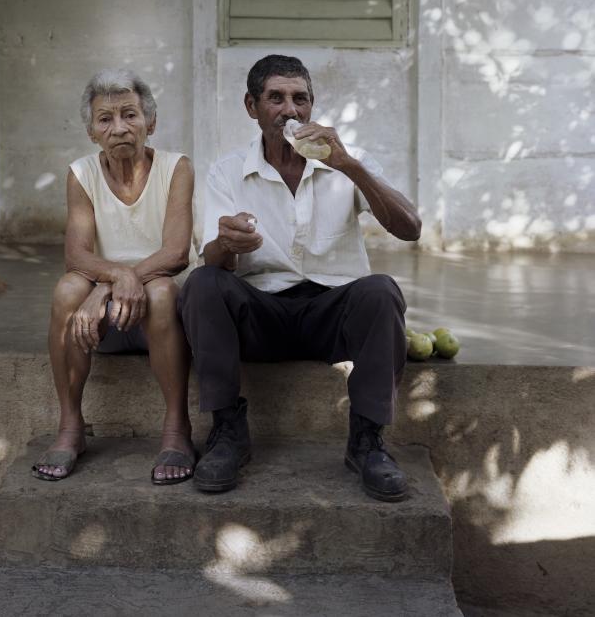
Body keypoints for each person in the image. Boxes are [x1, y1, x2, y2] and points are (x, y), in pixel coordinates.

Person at [179, 55, 421, 501]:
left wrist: (349, 165)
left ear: (311, 107)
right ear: (252, 107)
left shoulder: (349, 163)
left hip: (331, 317)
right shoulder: (227, 171)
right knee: (202, 283)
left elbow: (410, 228)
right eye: (276, 98)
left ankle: (367, 442)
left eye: (300, 99)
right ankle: (227, 430)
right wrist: (228, 245)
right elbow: (212, 259)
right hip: (262, 315)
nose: (290, 110)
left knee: (380, 290)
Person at [33, 69, 198, 485]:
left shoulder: (176, 168)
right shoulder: (82, 173)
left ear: (150, 123)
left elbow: (176, 253)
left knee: (160, 291)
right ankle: (71, 427)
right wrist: (109, 282)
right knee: (69, 288)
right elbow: (76, 254)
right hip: (101, 319)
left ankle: (177, 428)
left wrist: (112, 283)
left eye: (130, 114)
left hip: (158, 313)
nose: (119, 127)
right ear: (92, 132)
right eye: (105, 119)